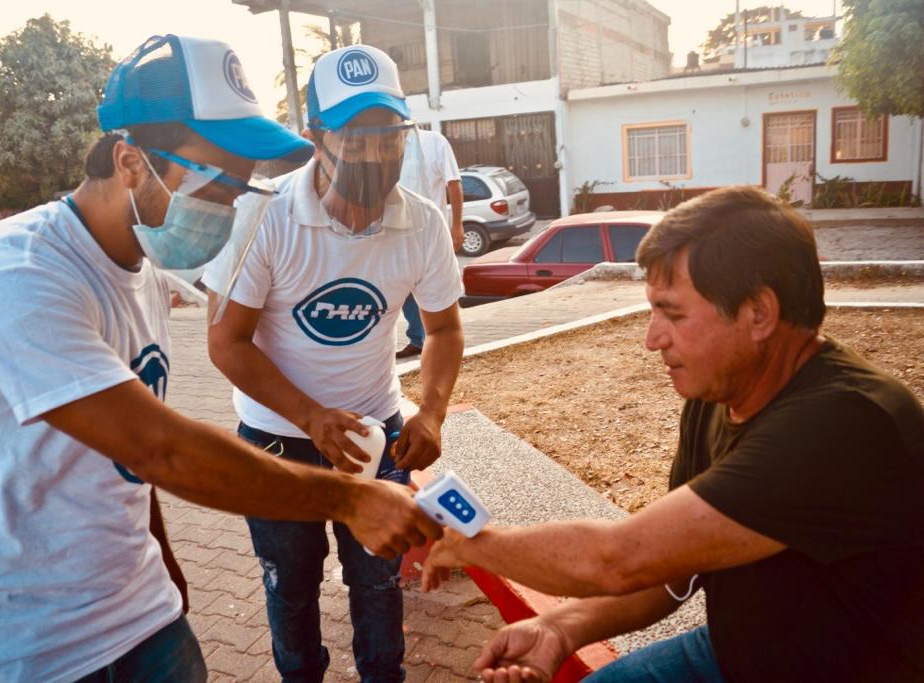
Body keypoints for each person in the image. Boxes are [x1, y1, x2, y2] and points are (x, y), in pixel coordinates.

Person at [0, 35, 440, 683]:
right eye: (215, 184)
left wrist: (163, 566)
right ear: (130, 160)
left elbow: (121, 459)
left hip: (140, 616)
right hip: (25, 646)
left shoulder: (139, 272)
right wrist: (351, 499)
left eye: (240, 190)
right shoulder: (20, 275)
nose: (227, 210)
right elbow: (160, 449)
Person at [421, 186, 924, 682]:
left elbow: (619, 559)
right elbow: (669, 571)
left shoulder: (846, 424)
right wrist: (559, 628)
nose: (651, 339)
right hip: (735, 651)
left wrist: (467, 542)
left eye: (673, 313)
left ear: (759, 314)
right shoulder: (717, 393)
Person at [204, 44, 464, 682]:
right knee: (290, 592)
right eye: (354, 138)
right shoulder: (261, 216)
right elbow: (225, 341)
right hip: (276, 444)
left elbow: (445, 328)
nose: (375, 155)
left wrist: (428, 413)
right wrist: (310, 415)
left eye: (388, 137)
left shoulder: (423, 223)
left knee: (379, 590)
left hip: (376, 441)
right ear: (315, 137)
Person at [396, 128, 464, 359]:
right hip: (396, 232)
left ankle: (433, 343)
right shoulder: (384, 142)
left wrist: (457, 225)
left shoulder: (434, 141)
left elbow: (453, 184)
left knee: (434, 291)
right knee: (403, 290)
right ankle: (417, 338)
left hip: (430, 234)